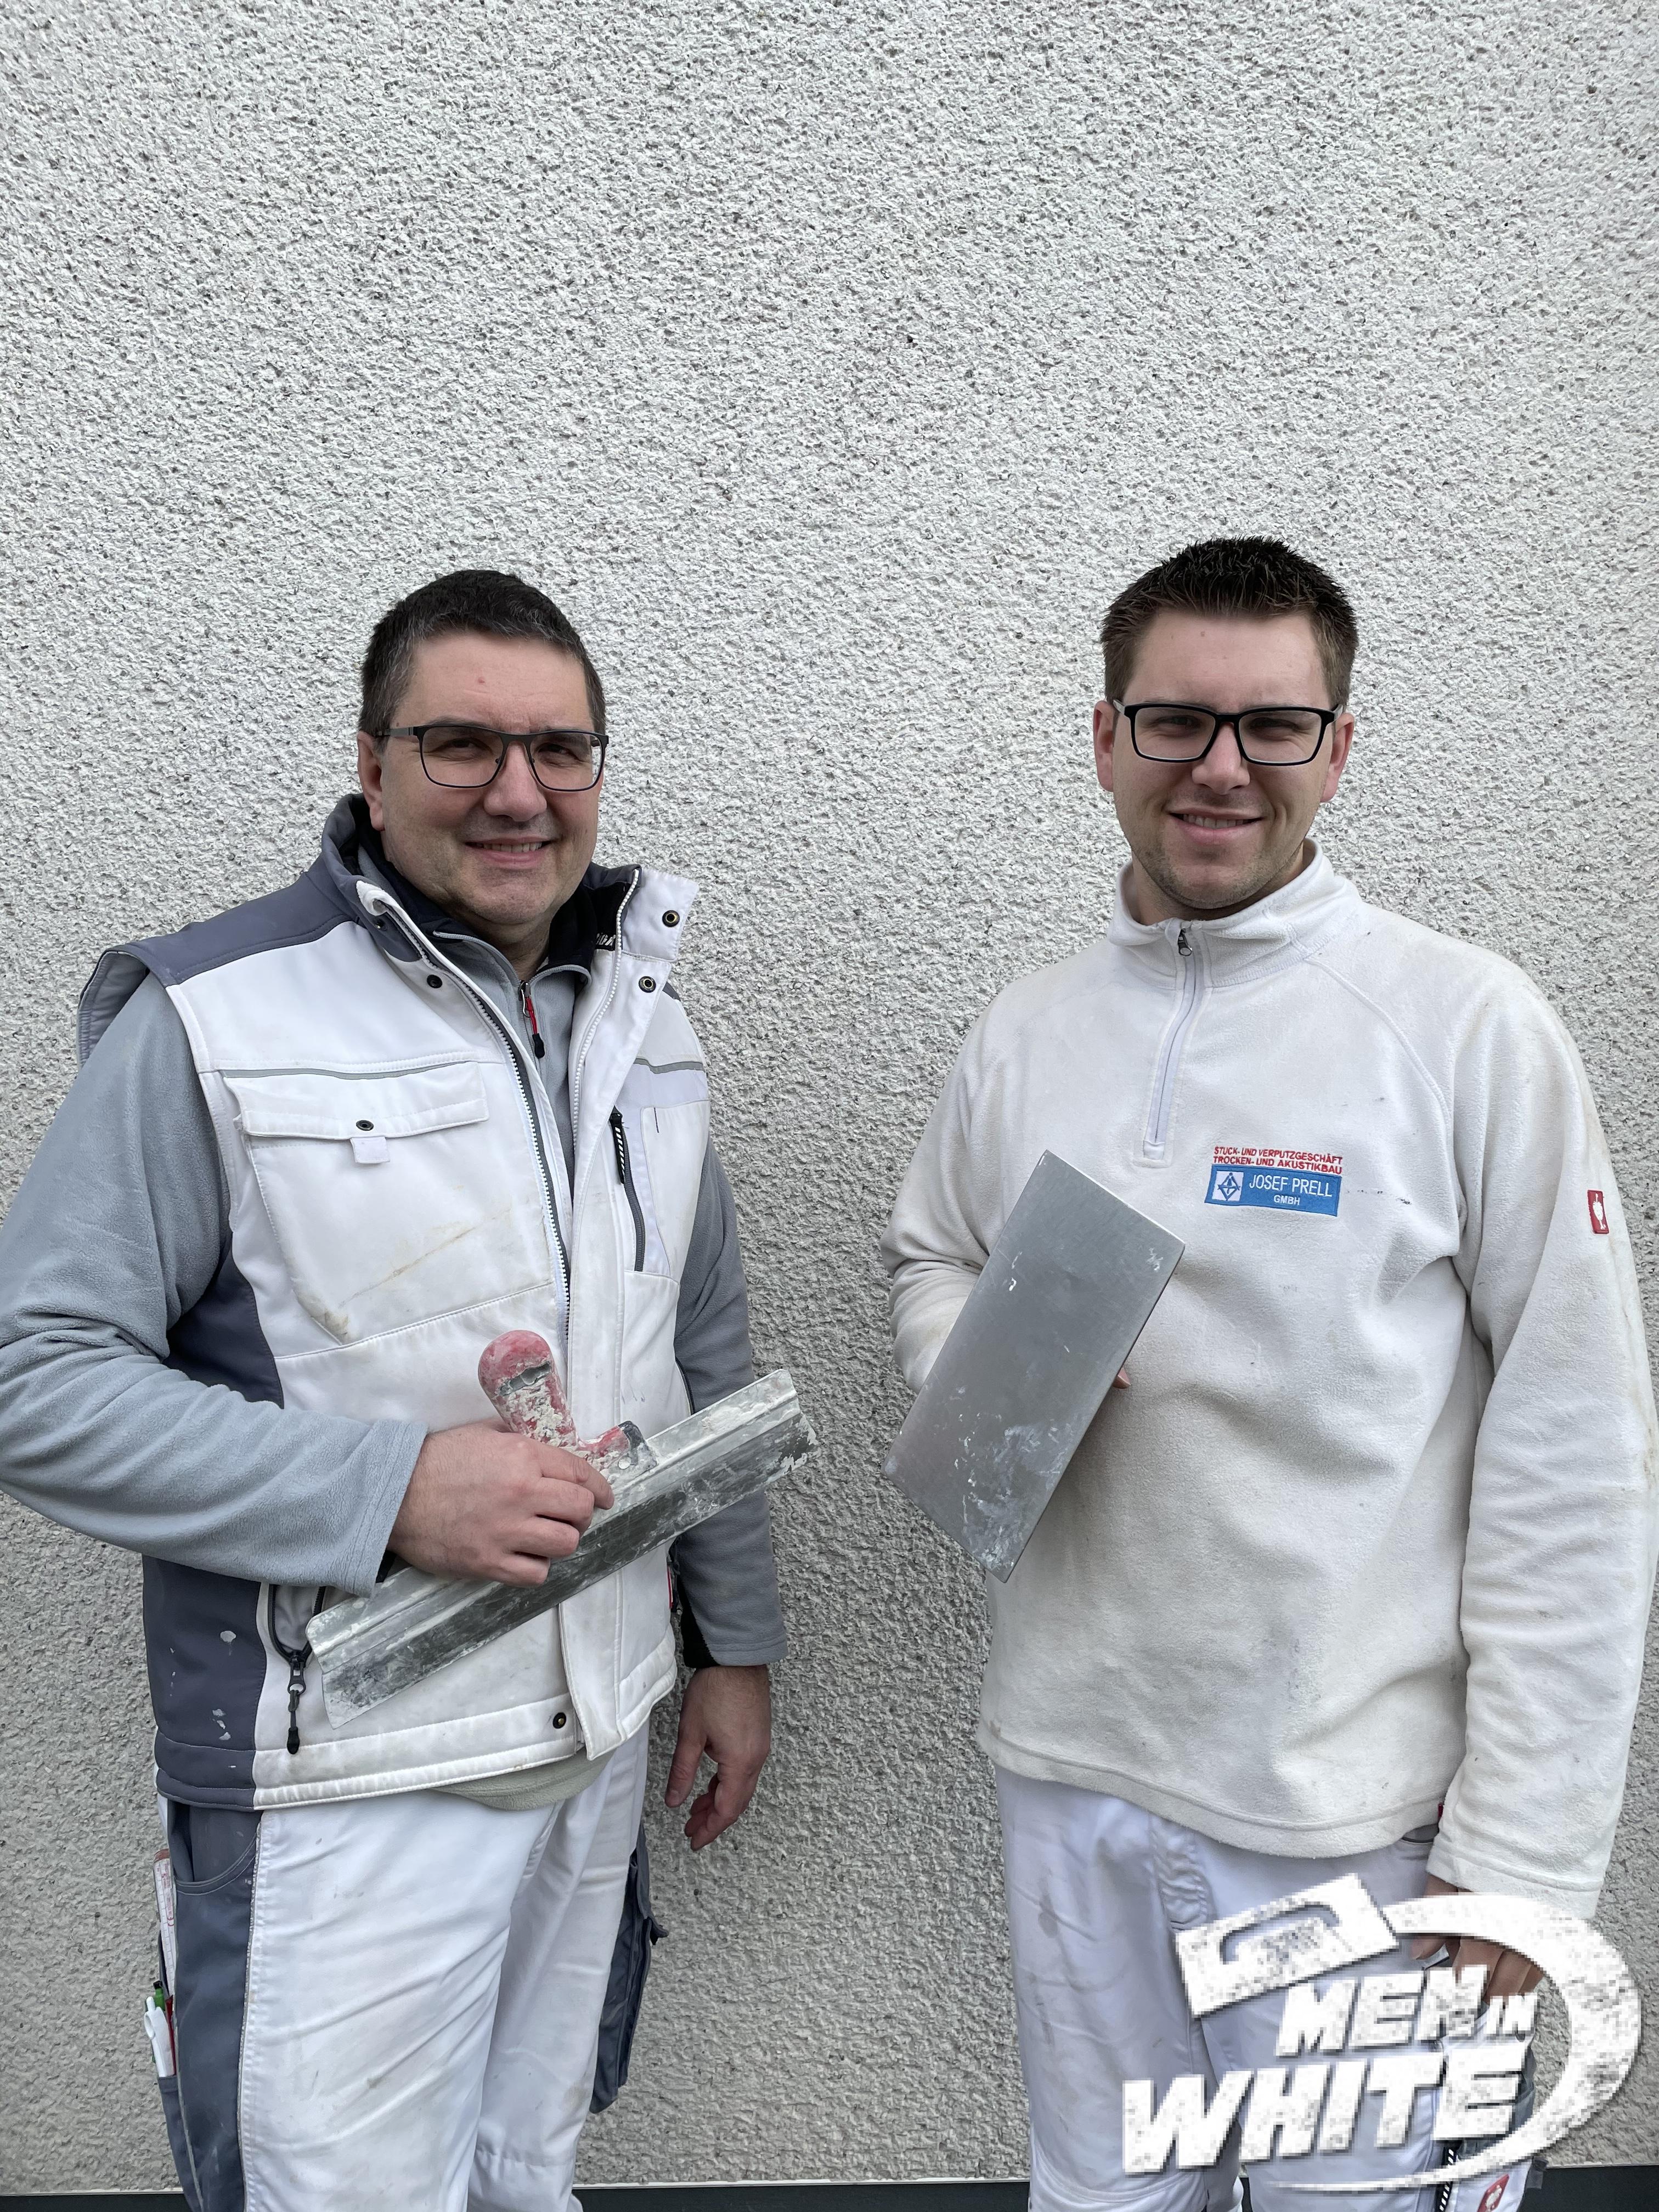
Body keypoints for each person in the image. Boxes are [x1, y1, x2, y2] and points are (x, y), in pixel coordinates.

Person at [880, 537, 1658, 2212]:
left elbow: (1579, 1463)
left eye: (1273, 725)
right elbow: (932, 1251)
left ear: (1339, 747)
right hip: (1072, 1780)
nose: (1220, 768)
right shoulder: (1024, 1032)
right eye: (1175, 721)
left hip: (1357, 1829)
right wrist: (990, 1375)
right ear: (1106, 740)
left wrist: (1524, 1860)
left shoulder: (1466, 1029)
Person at [0, 569, 786, 2211]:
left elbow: (694, 1345)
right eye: (462, 747)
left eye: (560, 751)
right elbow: (35, 1382)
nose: (519, 793)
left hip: (595, 1738)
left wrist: (733, 1644)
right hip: (345, 1775)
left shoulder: (643, 1027)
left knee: (522, 2173)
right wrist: (392, 1491)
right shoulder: (215, 1020)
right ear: (371, 766)